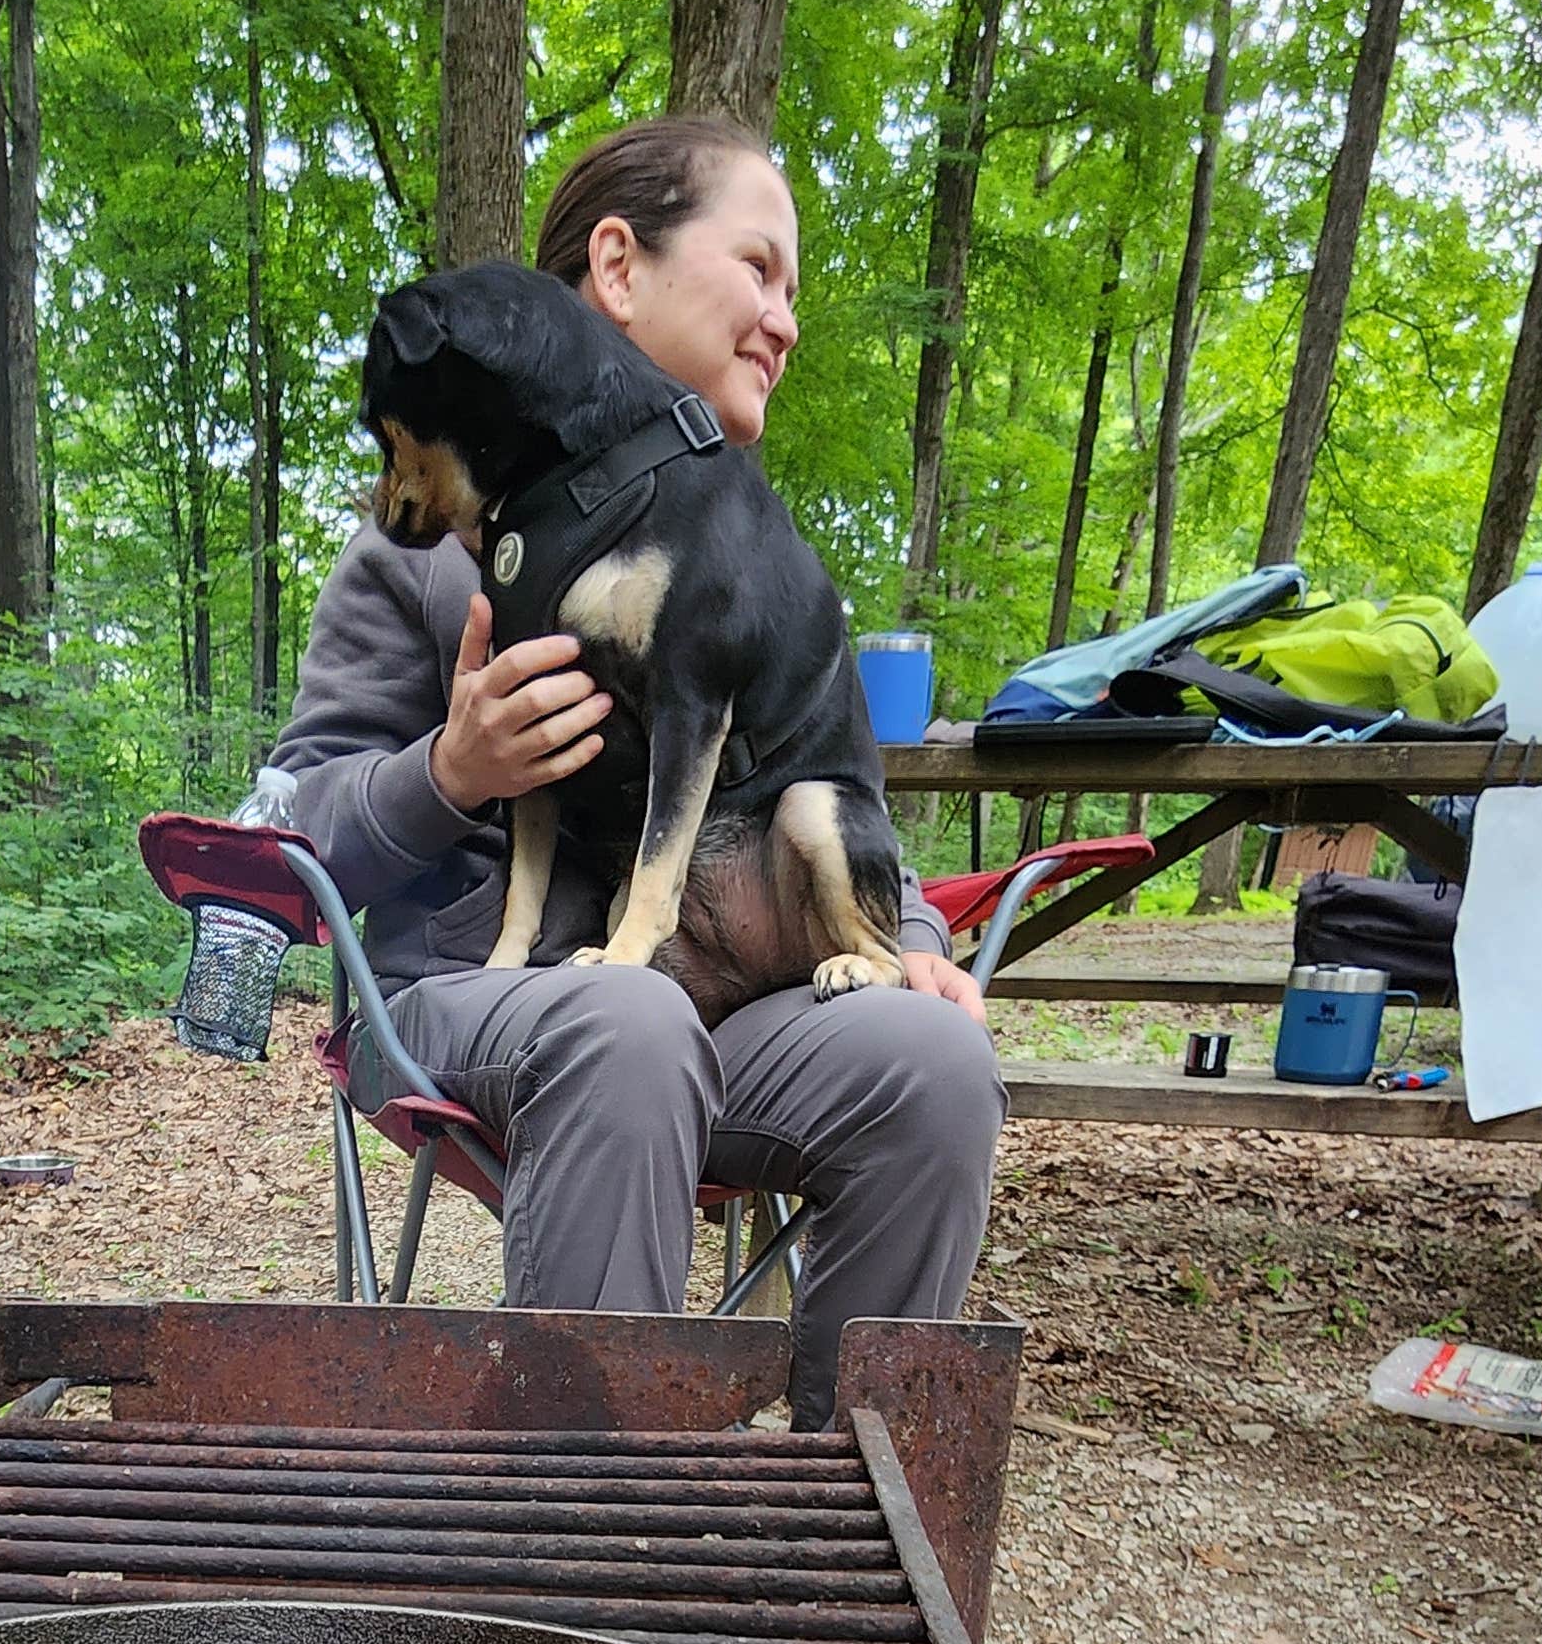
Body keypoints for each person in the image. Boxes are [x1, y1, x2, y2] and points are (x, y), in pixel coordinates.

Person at [272, 114, 1005, 1427]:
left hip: (732, 1002)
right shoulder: (425, 543)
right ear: (618, 267)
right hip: (464, 1003)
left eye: (797, 291)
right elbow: (287, 827)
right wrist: (452, 767)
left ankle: (839, 1521)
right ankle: (578, 1553)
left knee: (929, 1062)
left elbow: (825, 786)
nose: (787, 320)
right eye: (761, 268)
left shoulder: (736, 551)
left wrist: (905, 935)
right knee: (626, 1019)